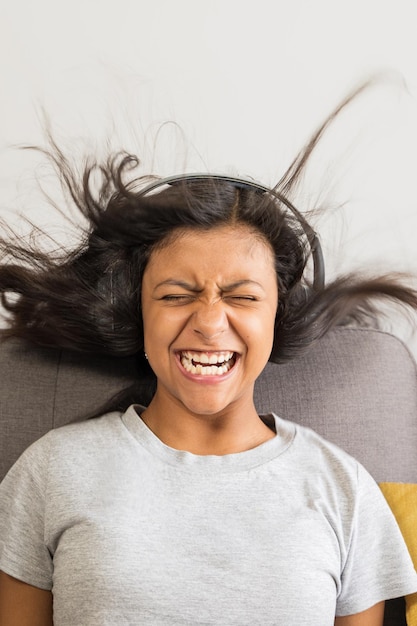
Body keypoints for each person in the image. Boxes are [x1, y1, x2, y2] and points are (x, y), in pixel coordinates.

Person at [0, 84, 417, 626]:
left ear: (276, 317)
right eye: (176, 296)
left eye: (242, 296)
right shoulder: (52, 471)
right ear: (140, 314)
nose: (209, 321)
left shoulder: (344, 489)